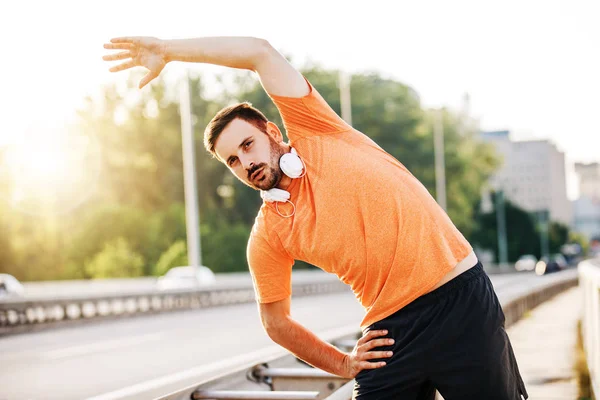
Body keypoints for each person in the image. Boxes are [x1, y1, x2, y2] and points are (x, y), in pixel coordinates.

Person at [103, 36, 528, 400]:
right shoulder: (268, 234)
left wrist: (169, 51)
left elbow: (259, 52)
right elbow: (275, 320)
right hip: (391, 335)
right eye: (232, 160)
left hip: (460, 301)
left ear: (271, 131)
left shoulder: (316, 128)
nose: (244, 161)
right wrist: (343, 363)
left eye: (247, 145)